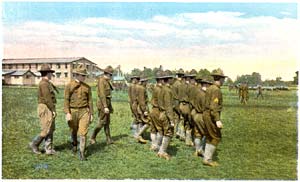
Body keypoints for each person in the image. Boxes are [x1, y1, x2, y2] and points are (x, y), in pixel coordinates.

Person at [64, 64, 93, 160]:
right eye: (82, 75)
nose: (84, 77)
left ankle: (82, 152)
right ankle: (74, 144)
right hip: (72, 111)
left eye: (85, 75)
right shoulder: (69, 86)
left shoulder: (87, 87)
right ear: (76, 75)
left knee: (83, 132)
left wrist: (91, 114)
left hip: (84, 111)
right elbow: (66, 100)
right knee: (73, 130)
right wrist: (67, 113)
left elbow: (90, 101)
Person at [29, 64, 57, 155]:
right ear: (47, 73)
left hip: (48, 107)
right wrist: (53, 110)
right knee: (46, 129)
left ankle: (48, 149)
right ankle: (34, 144)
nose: (51, 75)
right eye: (50, 73)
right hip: (45, 107)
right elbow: (47, 98)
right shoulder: (44, 84)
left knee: (50, 128)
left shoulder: (47, 83)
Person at [202, 68, 226, 167]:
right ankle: (208, 159)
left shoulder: (210, 88)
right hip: (211, 115)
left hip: (206, 114)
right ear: (220, 79)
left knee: (209, 136)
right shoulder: (216, 90)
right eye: (223, 79)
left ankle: (206, 158)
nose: (223, 81)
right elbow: (214, 106)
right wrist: (217, 120)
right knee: (216, 137)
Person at [90, 66, 114, 145]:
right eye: (111, 75)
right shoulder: (101, 81)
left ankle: (108, 139)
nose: (111, 77)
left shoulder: (106, 81)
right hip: (103, 104)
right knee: (102, 122)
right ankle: (93, 137)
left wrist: (109, 106)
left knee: (107, 122)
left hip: (107, 103)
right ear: (107, 74)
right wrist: (105, 106)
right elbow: (102, 95)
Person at [157, 70, 174, 160]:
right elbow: (168, 106)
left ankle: (160, 150)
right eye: (172, 78)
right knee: (168, 132)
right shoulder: (167, 90)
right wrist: (171, 119)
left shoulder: (162, 89)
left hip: (161, 113)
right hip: (166, 114)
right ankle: (162, 151)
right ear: (169, 79)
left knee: (164, 132)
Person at [149, 71, 164, 151]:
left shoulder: (155, 88)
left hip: (153, 110)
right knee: (160, 129)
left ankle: (153, 144)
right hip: (157, 110)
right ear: (161, 80)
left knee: (153, 129)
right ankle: (157, 145)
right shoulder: (160, 90)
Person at [134, 76, 150, 143]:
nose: (147, 83)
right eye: (146, 81)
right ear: (143, 82)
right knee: (149, 122)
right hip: (141, 107)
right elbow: (142, 101)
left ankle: (140, 137)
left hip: (138, 107)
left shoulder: (138, 87)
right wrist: (145, 110)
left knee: (140, 121)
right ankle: (138, 135)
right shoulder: (141, 88)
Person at [172, 68, 185, 140]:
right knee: (181, 118)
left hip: (173, 103)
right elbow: (180, 97)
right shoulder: (180, 85)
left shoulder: (174, 83)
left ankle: (175, 132)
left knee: (176, 119)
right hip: (178, 103)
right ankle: (180, 133)